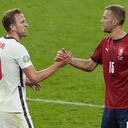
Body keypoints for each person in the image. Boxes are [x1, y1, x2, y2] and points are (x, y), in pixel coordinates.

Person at [56, 5, 128, 128]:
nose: (101, 21)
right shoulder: (105, 42)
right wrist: (69, 60)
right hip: (110, 109)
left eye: (105, 18)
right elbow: (90, 65)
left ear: (115, 21)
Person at [0, 8, 65, 128]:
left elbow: (6, 73)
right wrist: (59, 64)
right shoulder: (17, 48)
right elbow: (35, 77)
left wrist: (25, 81)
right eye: (22, 22)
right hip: (14, 110)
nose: (26, 24)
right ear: (13, 27)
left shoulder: (1, 43)